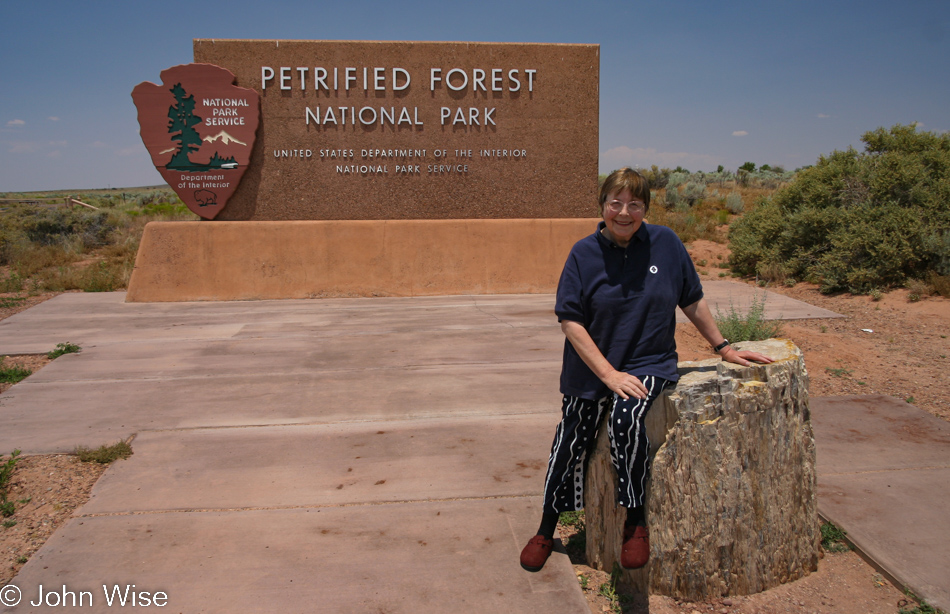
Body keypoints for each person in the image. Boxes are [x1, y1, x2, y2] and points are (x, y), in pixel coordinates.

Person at [520, 167, 773, 573]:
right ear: (602, 206)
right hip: (593, 369)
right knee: (569, 441)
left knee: (626, 420)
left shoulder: (666, 244)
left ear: (645, 209)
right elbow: (570, 321)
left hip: (647, 361)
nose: (624, 212)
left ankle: (634, 522)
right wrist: (607, 375)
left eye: (634, 204)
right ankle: (547, 528)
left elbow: (692, 299)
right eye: (615, 203)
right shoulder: (583, 254)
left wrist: (723, 346)